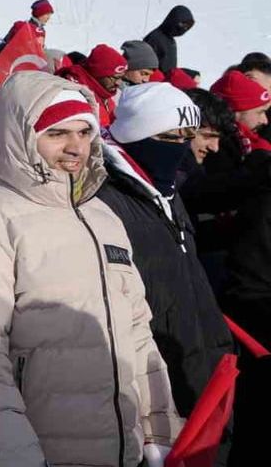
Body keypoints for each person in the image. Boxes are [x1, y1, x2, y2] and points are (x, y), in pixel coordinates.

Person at [0, 71, 180, 467]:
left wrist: (158, 431)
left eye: (84, 132)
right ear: (19, 136)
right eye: (57, 133)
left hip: (118, 448)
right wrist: (18, 456)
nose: (75, 147)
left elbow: (137, 332)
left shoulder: (103, 217)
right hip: (30, 450)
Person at [95, 83, 234, 420]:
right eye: (172, 138)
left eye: (188, 137)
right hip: (155, 375)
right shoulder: (107, 198)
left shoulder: (166, 192)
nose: (182, 148)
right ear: (139, 136)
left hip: (200, 362)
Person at [57, 43, 127, 127]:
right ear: (99, 73)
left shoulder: (103, 91)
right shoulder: (75, 92)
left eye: (121, 77)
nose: (118, 83)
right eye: (115, 78)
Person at [143, 5, 194, 77]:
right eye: (182, 24)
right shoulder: (154, 38)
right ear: (173, 20)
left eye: (187, 26)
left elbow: (170, 70)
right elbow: (145, 67)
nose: (184, 29)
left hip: (166, 81)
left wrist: (191, 74)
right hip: (155, 81)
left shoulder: (170, 40)